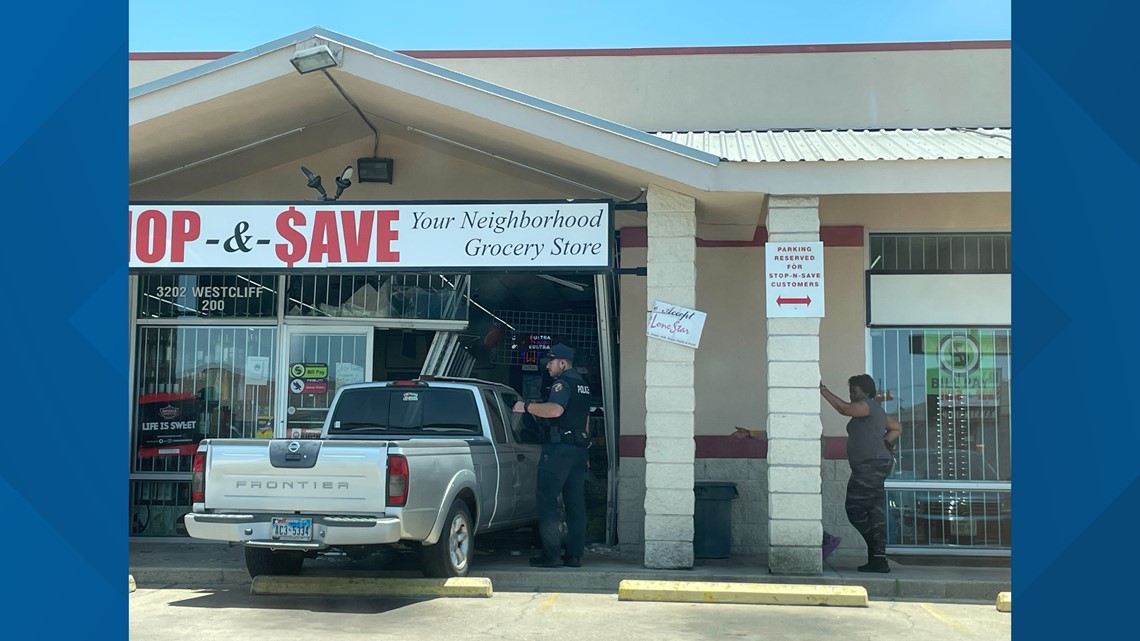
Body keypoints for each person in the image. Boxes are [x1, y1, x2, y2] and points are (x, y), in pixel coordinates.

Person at [513, 343, 592, 568]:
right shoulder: (583, 385)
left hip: (559, 450)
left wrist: (525, 406)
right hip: (578, 450)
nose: (547, 366)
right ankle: (574, 556)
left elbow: (556, 410)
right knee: (575, 503)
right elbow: (585, 419)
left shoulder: (562, 384)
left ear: (563, 363)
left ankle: (552, 555)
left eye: (551, 361)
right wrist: (585, 450)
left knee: (547, 501)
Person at [820, 374, 902, 573]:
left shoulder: (867, 405)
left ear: (866, 391)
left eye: (854, 390)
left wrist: (822, 390)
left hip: (870, 465)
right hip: (875, 463)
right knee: (875, 512)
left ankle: (875, 548)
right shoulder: (877, 411)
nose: (851, 394)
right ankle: (878, 560)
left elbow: (844, 409)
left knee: (854, 508)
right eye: (850, 390)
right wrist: (886, 443)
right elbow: (897, 427)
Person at [730, 427, 841, 561]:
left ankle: (825, 540)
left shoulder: (810, 436)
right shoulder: (808, 433)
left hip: (806, 479)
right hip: (802, 478)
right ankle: (820, 542)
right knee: (800, 515)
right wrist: (750, 433)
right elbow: (776, 435)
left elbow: (777, 435)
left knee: (802, 515)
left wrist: (750, 434)